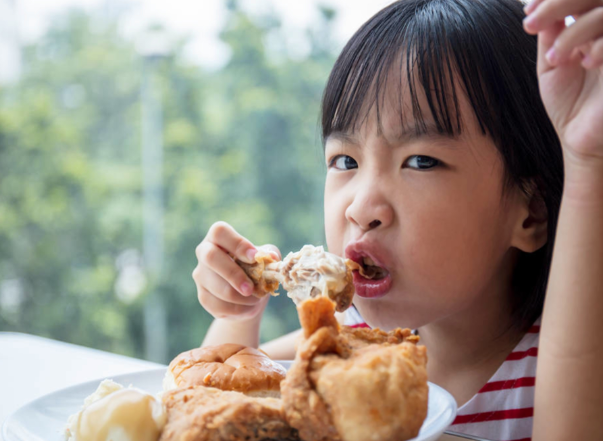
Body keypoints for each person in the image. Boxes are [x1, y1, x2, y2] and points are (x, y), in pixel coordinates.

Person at [192, 0, 603, 439]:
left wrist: (588, 161)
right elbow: (217, 397)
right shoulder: (348, 345)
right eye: (345, 159)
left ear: (531, 214)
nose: (361, 208)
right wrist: (242, 306)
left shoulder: (569, 366)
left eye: (422, 161)